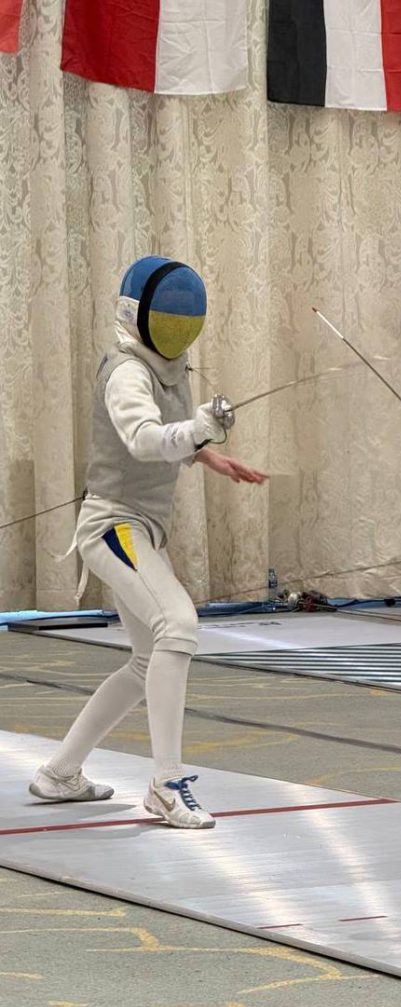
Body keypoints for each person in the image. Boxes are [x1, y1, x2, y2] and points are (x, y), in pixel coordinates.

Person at [29, 256, 267, 829]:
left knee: (144, 662)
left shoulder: (170, 367)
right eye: (170, 319)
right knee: (178, 626)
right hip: (113, 525)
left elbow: (168, 435)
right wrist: (200, 430)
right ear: (140, 316)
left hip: (142, 528)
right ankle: (165, 784)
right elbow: (142, 438)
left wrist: (205, 454)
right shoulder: (126, 372)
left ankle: (60, 773)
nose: (178, 331)